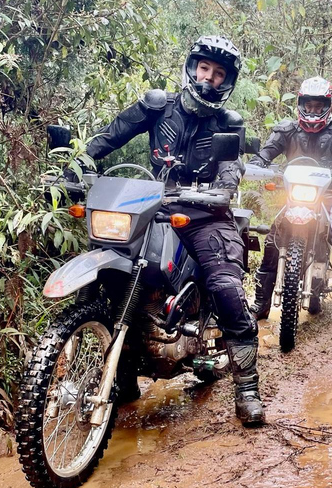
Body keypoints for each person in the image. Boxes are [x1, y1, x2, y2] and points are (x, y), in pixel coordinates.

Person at [79, 35, 264, 426]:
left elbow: (232, 165)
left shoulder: (228, 122)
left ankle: (247, 387)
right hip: (149, 206)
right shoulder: (157, 104)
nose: (208, 78)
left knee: (226, 287)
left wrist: (224, 188)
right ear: (191, 66)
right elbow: (109, 137)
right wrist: (78, 163)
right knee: (116, 269)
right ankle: (121, 376)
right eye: (203, 68)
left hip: (205, 214)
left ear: (226, 81)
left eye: (218, 74)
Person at [247, 76, 332, 329]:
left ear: (328, 105)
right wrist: (256, 163)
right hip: (294, 195)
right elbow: (266, 152)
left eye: (318, 106)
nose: (313, 111)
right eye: (309, 106)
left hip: (326, 196)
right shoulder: (287, 129)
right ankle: (260, 304)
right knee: (272, 241)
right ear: (300, 105)